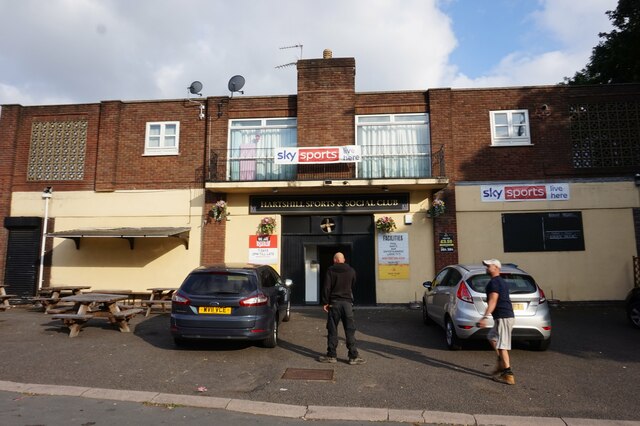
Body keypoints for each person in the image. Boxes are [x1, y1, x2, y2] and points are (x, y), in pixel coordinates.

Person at [317, 252, 365, 365]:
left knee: (332, 329)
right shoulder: (351, 271)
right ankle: (353, 356)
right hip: (347, 303)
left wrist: (325, 302)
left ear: (335, 260)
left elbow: (326, 287)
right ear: (343, 260)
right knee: (350, 330)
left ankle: (332, 355)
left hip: (334, 304)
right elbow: (353, 284)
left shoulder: (330, 270)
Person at [478, 258, 515, 385]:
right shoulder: (498, 281)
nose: (487, 268)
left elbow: (493, 301)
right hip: (501, 317)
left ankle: (508, 374)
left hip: (503, 316)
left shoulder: (494, 283)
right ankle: (501, 362)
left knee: (502, 346)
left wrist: (484, 317)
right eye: (487, 266)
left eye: (489, 266)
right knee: (492, 337)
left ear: (496, 268)